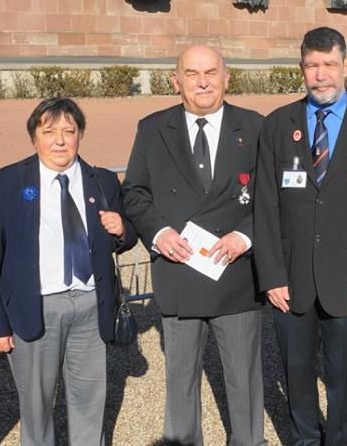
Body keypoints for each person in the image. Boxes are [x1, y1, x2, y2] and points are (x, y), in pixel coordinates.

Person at [122, 45, 267, 446]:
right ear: (176, 81)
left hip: (236, 275)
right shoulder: (152, 129)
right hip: (179, 272)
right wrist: (158, 233)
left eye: (210, 72)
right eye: (191, 73)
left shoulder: (255, 127)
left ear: (226, 77)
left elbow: (272, 199)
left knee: (244, 384)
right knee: (181, 384)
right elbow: (134, 193)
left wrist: (245, 235)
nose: (202, 82)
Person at [254, 27, 347, 445]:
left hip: (346, 276)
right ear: (301, 68)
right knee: (296, 371)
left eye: (329, 64)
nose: (321, 75)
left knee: (345, 376)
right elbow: (265, 208)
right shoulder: (277, 125)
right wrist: (271, 274)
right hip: (290, 279)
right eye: (312, 65)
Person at [0, 97, 136, 445]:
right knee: (36, 406)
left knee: (89, 400)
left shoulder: (102, 181)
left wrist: (122, 229)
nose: (60, 140)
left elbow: (121, 240)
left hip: (89, 305)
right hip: (36, 305)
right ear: (34, 137)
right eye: (49, 131)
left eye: (69, 131)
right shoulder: (10, 181)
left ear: (80, 135)